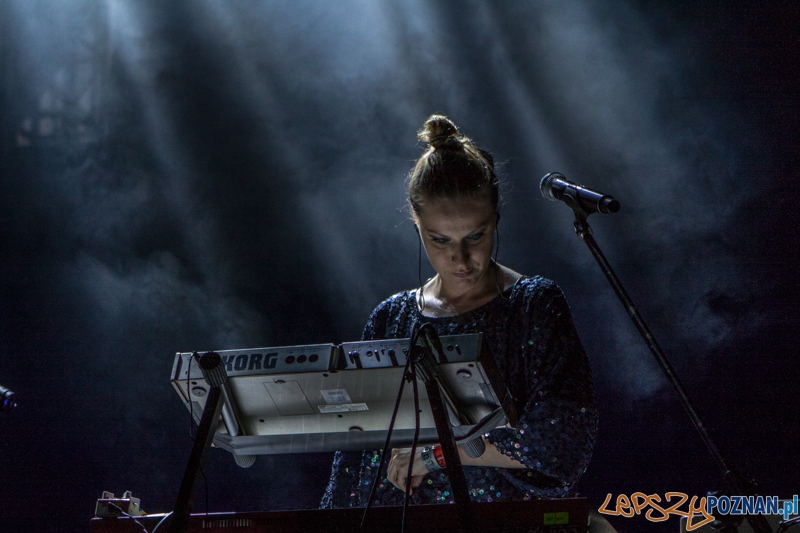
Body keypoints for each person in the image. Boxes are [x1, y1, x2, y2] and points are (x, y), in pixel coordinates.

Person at [320, 114, 599, 508]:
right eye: (439, 240)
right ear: (416, 224)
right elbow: (354, 463)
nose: (460, 257)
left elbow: (560, 441)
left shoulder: (534, 305)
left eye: (475, 236)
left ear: (496, 218)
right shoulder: (390, 318)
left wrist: (439, 454)